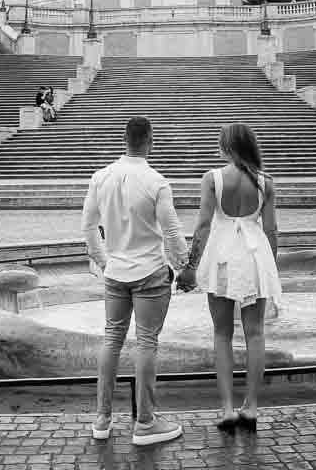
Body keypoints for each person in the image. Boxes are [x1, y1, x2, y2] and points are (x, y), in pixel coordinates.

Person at [81, 116, 189, 446]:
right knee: (146, 343)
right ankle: (145, 422)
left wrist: (104, 261)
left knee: (111, 340)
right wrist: (184, 266)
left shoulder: (101, 177)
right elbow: (172, 232)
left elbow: (87, 227)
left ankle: (102, 419)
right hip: (150, 271)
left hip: (116, 271)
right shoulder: (156, 181)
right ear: (149, 141)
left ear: (125, 139)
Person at [177, 123, 281, 433]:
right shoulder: (266, 183)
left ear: (227, 147)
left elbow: (203, 226)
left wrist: (190, 267)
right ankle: (250, 406)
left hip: (222, 254)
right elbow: (272, 231)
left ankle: (226, 408)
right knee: (256, 333)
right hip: (254, 255)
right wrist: (269, 269)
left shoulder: (213, 179)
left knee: (222, 334)